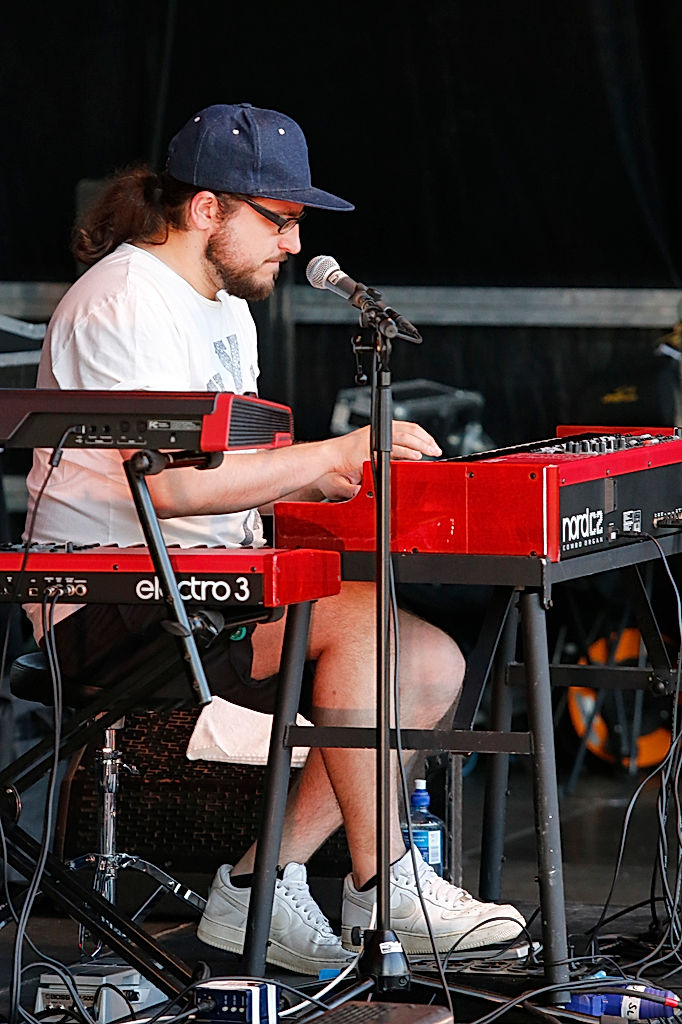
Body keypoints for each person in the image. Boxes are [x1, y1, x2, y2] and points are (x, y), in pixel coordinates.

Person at [24, 102, 525, 975]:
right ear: (205, 207)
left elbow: (231, 478)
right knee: (364, 629)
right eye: (280, 221)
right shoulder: (125, 302)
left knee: (430, 661)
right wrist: (326, 453)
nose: (293, 246)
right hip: (108, 601)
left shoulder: (225, 310)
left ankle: (258, 887)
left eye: (296, 225)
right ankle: (388, 887)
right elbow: (174, 485)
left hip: (208, 585)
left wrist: (324, 476)